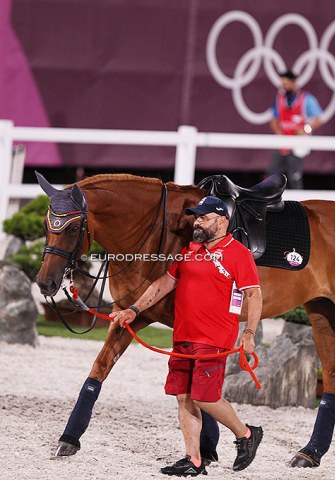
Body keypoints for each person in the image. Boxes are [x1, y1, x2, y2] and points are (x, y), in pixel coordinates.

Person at [111, 196, 263, 476]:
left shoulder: (238, 253)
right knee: (184, 398)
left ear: (222, 220)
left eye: (204, 217)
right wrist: (133, 309)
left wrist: (249, 333)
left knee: (204, 397)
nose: (198, 222)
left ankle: (246, 434)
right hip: (183, 338)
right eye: (197, 217)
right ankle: (193, 460)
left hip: (214, 340)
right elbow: (165, 283)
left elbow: (253, 294)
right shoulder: (189, 251)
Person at [267, 69, 323, 189]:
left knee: (294, 176)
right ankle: (270, 203)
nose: (284, 87)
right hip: (283, 142)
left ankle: (298, 204)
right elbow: (273, 119)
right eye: (282, 84)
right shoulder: (280, 99)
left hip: (298, 143)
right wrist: (278, 132)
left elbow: (318, 119)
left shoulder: (306, 99)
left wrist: (306, 130)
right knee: (272, 173)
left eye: (286, 84)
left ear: (294, 83)